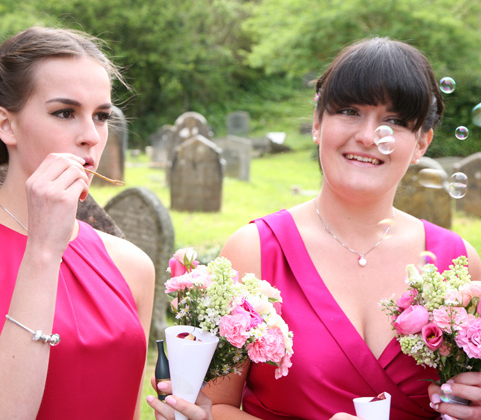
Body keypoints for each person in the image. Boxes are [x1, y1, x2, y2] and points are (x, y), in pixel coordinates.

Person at [148, 37, 481, 420]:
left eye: (394, 121)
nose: (369, 137)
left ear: (422, 142)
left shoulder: (458, 264)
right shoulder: (255, 250)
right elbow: (211, 407)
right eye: (350, 111)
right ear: (318, 124)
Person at [0, 26, 155, 420]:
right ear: (6, 124)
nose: (90, 136)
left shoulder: (132, 265)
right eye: (65, 113)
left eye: (101, 116)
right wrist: (43, 251)